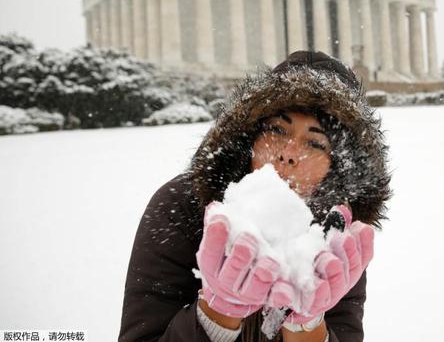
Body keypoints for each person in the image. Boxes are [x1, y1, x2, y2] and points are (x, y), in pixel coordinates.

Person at [118, 50, 392, 341]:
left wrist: (308, 326)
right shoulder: (181, 206)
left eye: (314, 143)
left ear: (338, 168)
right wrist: (217, 314)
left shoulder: (339, 239)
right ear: (250, 136)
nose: (287, 154)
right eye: (276, 129)